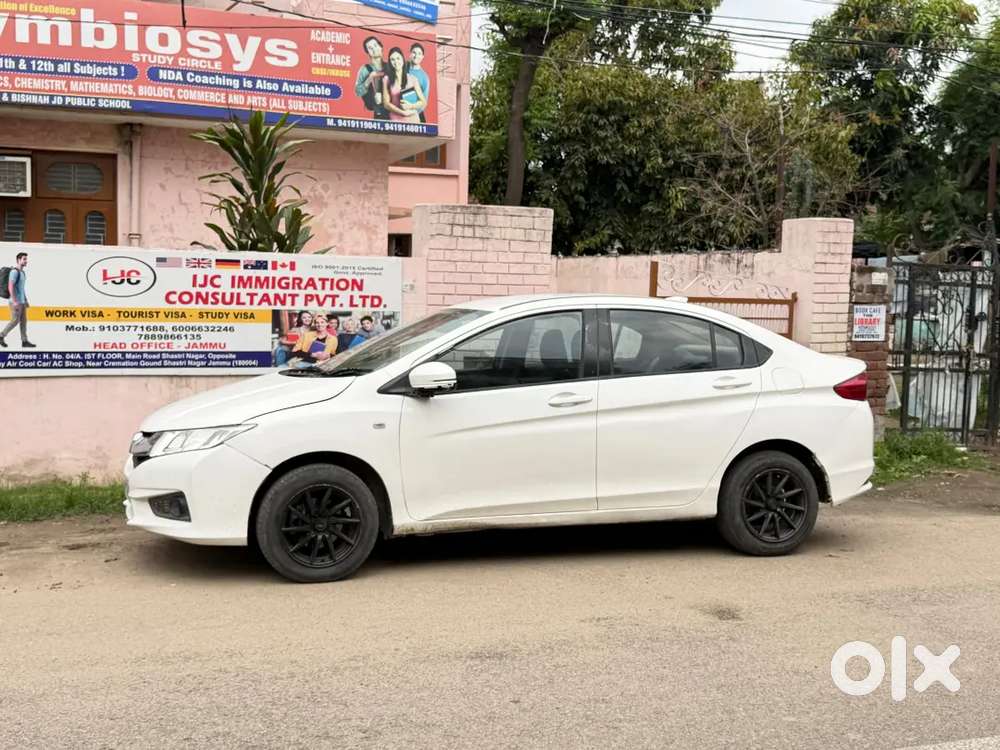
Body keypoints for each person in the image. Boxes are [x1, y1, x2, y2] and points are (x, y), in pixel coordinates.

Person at [382, 46, 425, 124]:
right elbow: (386, 104)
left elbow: (423, 102)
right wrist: (403, 113)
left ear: (402, 59)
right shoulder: (386, 79)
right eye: (392, 59)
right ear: (390, 62)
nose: (396, 62)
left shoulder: (413, 79)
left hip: (413, 120)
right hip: (396, 122)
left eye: (398, 58)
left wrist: (411, 106)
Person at [1, 252, 34, 349]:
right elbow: (10, 286)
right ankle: (1, 335)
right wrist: (15, 301)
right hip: (15, 302)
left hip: (22, 302)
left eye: (26, 259)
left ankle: (24, 341)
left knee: (24, 321)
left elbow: (21, 288)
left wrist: (26, 300)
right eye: (24, 259)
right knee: (15, 321)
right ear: (18, 260)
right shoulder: (14, 272)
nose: (26, 261)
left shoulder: (22, 273)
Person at [354, 36, 389, 120]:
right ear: (368, 52)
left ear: (381, 47)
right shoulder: (365, 69)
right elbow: (358, 92)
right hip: (378, 114)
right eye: (370, 48)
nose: (374, 49)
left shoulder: (390, 67)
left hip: (394, 113)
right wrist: (369, 79)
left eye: (375, 45)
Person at [408, 43, 430, 123]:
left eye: (419, 53)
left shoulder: (424, 77)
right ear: (410, 53)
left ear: (422, 57)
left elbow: (424, 102)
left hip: (416, 114)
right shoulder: (402, 67)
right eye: (414, 52)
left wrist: (413, 114)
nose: (416, 56)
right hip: (399, 111)